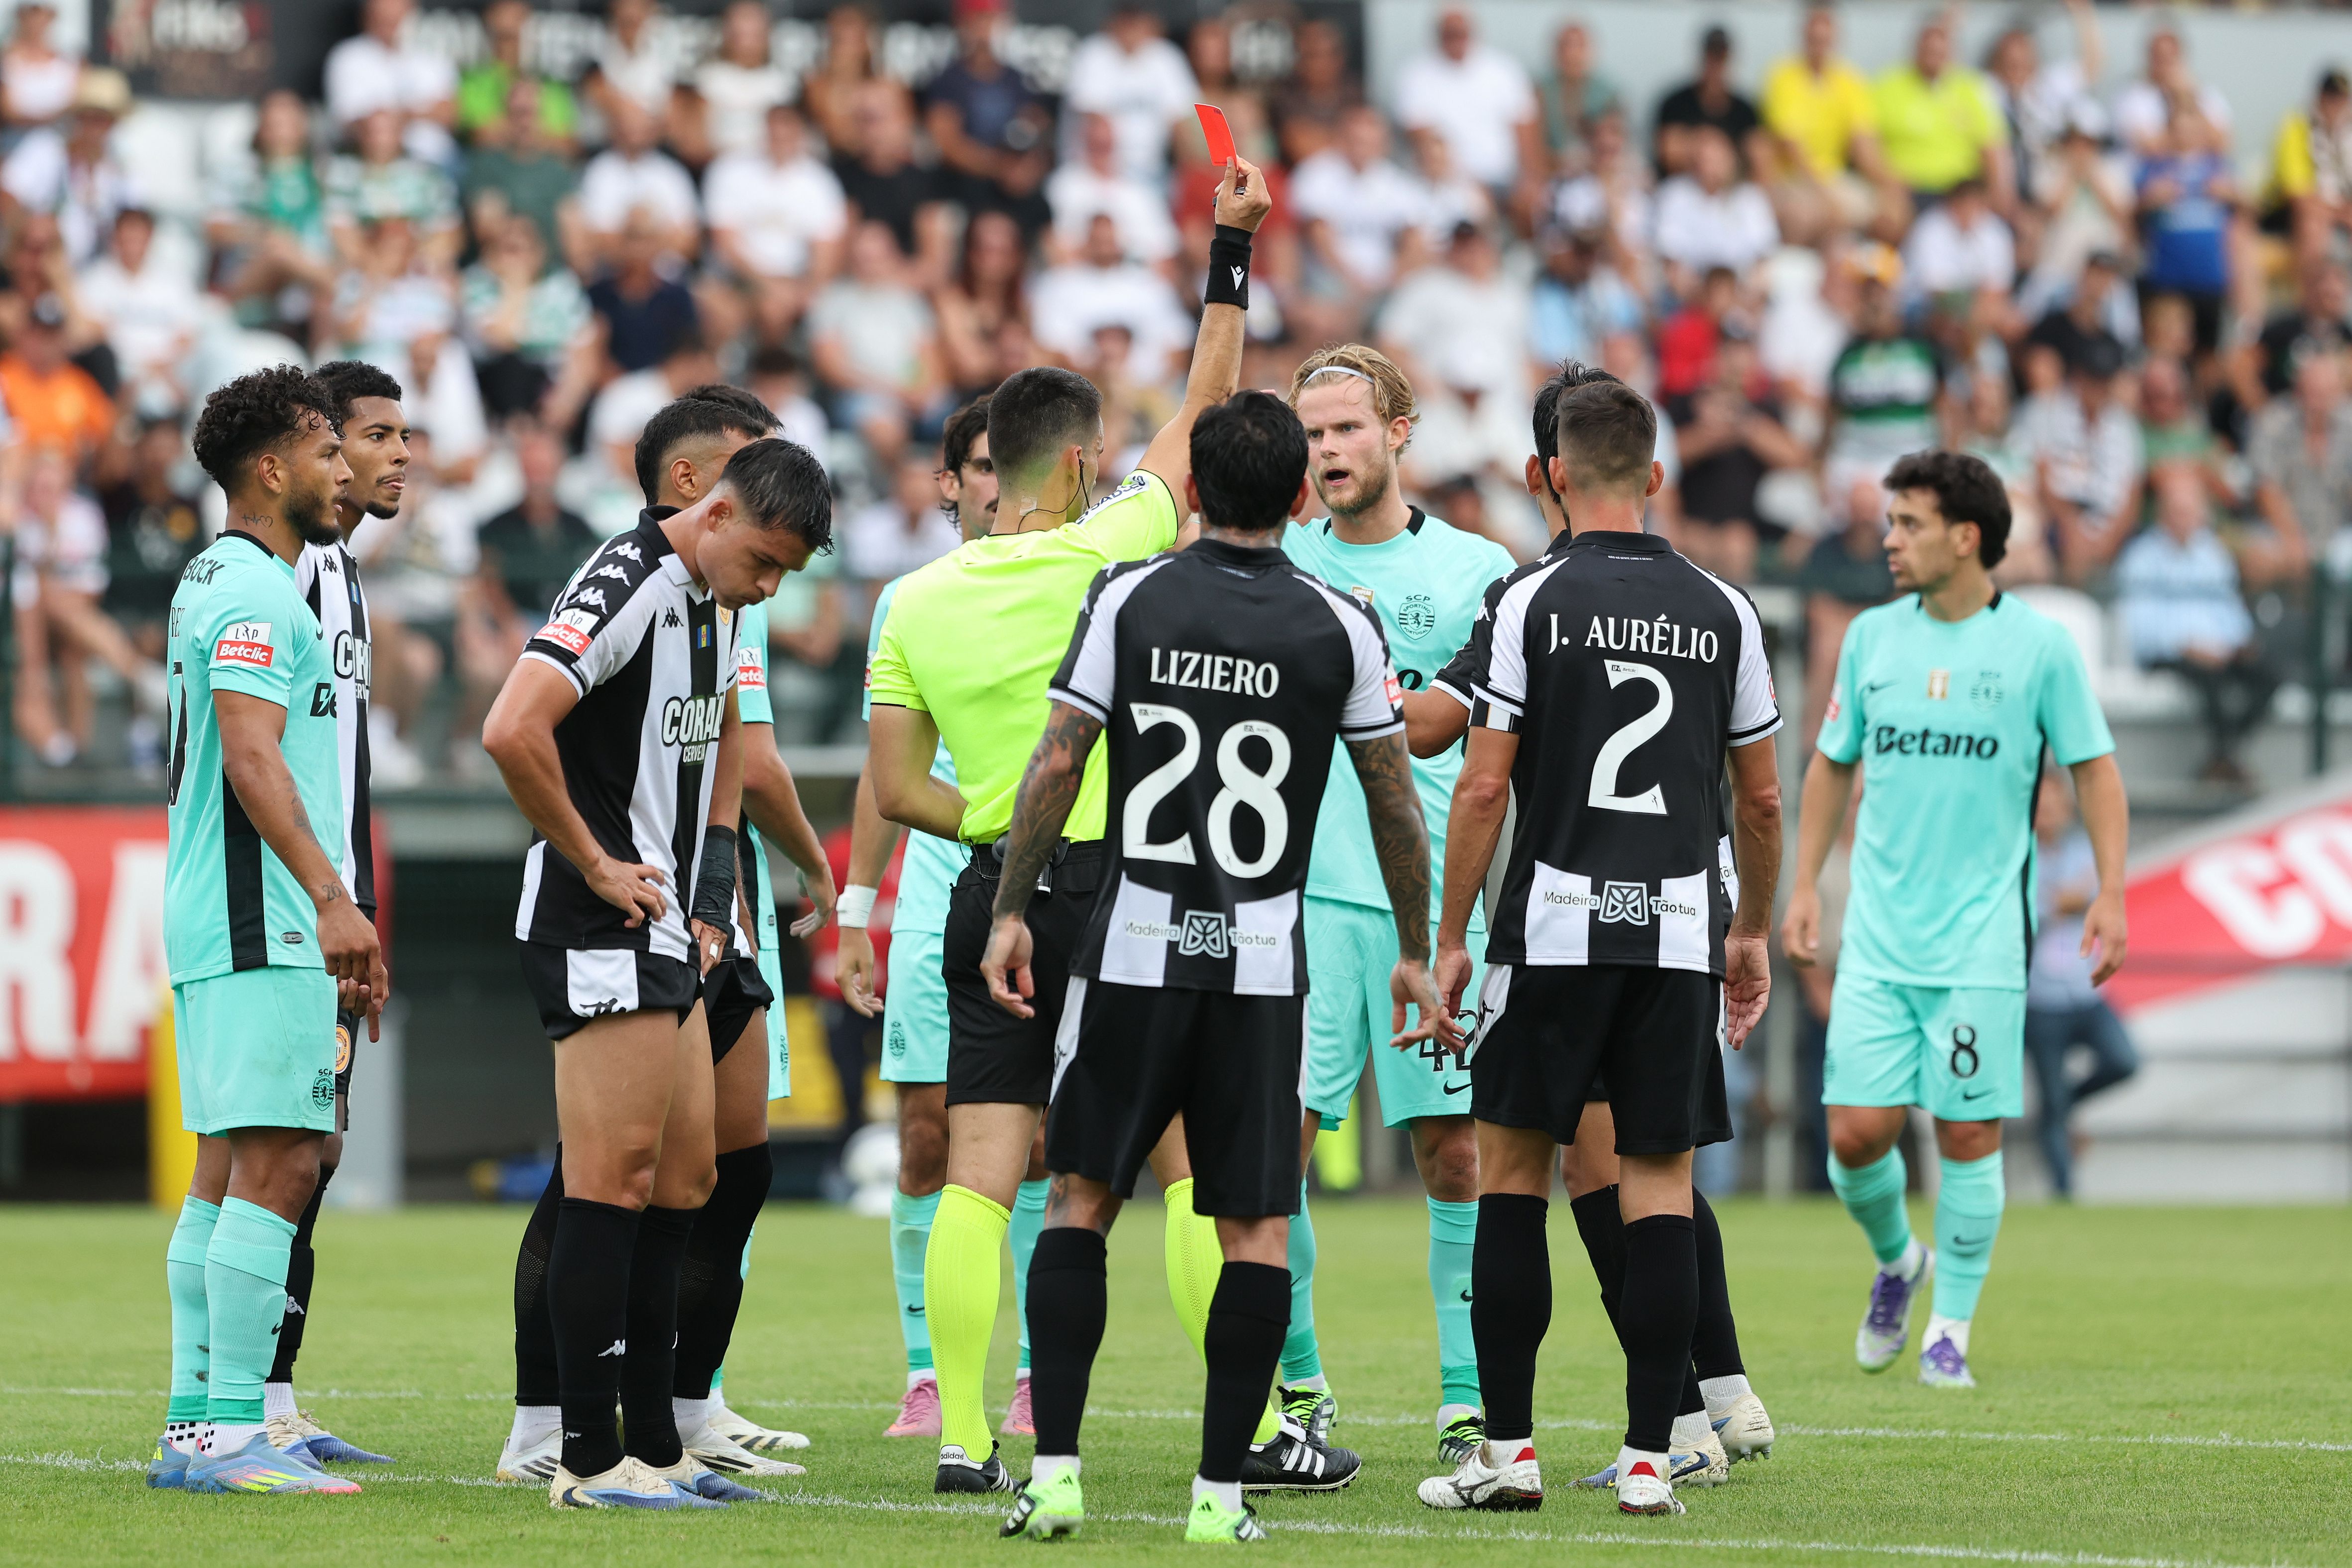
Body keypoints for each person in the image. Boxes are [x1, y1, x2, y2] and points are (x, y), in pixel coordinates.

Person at [862, 155, 1272, 1495]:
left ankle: (963, 1437)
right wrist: (1227, 248)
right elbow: (1207, 404)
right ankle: (1240, 1434)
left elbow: (893, 788)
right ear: (1085, 462)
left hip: (993, 888)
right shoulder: (1112, 543)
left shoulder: (914, 599)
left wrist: (995, 817)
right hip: (1129, 890)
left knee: (977, 1173)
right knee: (1184, 1167)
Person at [987, 388, 1448, 1546]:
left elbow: (1057, 760)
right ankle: (1218, 1497)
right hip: (1258, 963)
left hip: (1133, 947)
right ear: (1297, 495)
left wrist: (1010, 909)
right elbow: (1394, 802)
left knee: (1079, 1199)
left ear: (1191, 488)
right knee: (1252, 1227)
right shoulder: (1341, 623)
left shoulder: (1127, 595)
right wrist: (1412, 946)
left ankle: (1055, 1478)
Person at [1417, 375, 1781, 1518]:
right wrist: (1749, 930)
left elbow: (1481, 784)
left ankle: (1506, 1454)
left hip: (1553, 929)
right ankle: (1650, 1459)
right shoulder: (1724, 609)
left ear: (1551, 477)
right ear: (1656, 476)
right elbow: (1761, 800)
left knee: (1513, 1181)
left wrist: (1449, 939)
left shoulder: (1529, 599)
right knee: (1658, 1188)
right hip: (1675, 931)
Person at [479, 433, 830, 1510]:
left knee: (685, 1179)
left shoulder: (715, 603)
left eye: (786, 575)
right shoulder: (626, 581)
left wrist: (713, 881)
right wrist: (593, 860)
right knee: (611, 1181)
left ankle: (659, 1447)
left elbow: (723, 746)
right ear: (714, 511)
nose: (767, 588)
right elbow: (511, 727)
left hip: (670, 923)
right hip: (598, 919)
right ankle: (587, 1459)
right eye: (763, 562)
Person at [1784, 449, 2129, 1392]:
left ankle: (1950, 1331)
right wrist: (1805, 885)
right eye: (1890, 522)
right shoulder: (1870, 638)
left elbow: (2094, 770)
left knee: (1967, 1133)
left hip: (1982, 937)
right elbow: (1831, 763)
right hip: (1879, 935)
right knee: (1854, 1136)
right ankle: (1899, 1261)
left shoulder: (2038, 647)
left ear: (1965, 537)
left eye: (1908, 524)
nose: (1889, 540)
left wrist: (2109, 889)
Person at [1273, 344, 1515, 1464]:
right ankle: (1300, 1389)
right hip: (1300, 902)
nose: (1327, 451)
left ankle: (1465, 1399)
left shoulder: (1477, 569)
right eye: (1312, 434)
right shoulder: (1275, 557)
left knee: (1454, 1155)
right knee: (1274, 1154)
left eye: (1346, 429)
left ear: (1399, 433)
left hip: (1428, 915)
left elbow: (1463, 737)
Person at [147, 364, 383, 1497]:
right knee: (284, 1161)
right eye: (330, 452)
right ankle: (236, 1433)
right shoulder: (256, 594)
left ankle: (197, 1424)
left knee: (226, 1170)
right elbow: (250, 757)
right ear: (273, 467)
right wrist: (333, 899)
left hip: (223, 916)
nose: (347, 472)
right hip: (263, 919)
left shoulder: (218, 576)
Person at [836, 399, 1025, 1440]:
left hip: (1046, 890)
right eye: (983, 466)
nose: (1000, 485)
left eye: (1015, 465)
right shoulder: (908, 600)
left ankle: (1034, 1372)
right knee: (922, 1134)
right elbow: (886, 766)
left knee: (1037, 1144)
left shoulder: (1073, 586)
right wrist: (856, 907)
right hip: (936, 891)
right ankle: (927, 1375)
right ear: (948, 483)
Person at [259, 362, 413, 1471]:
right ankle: (240, 1400)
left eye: (406, 438)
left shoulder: (345, 573)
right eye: (375, 436)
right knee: (280, 1151)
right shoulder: (290, 570)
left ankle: (275, 1394)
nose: (398, 456)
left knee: (318, 1150)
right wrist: (324, 898)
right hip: (292, 909)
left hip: (340, 902)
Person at [2116, 464, 2276, 785]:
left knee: (2269, 676)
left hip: (2217, 651)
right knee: (2211, 682)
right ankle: (2225, 761)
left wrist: (2236, 645)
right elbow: (2139, 623)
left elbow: (2229, 607)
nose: (2184, 520)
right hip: (2169, 653)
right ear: (2162, 515)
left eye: (2190, 512)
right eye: (2177, 512)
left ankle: (2224, 756)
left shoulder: (2212, 553)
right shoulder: (2141, 557)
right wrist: (2187, 645)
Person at [2022, 772, 2138, 1198]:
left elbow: (2099, 892)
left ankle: (2062, 1106)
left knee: (2124, 1061)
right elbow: (2023, 913)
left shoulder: (2085, 850)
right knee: (2050, 1097)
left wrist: (2069, 901)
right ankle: (2064, 1193)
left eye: (2055, 803)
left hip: (2086, 991)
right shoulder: (2017, 856)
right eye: (2041, 805)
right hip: (2040, 999)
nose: (2048, 812)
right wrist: (2062, 903)